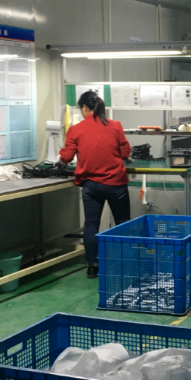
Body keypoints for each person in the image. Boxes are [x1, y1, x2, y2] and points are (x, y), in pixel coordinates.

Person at [59, 90, 131, 279]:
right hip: (116, 183)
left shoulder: (76, 129)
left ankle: (93, 265)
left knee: (91, 225)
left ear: (84, 107)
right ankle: (126, 263)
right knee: (123, 223)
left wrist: (64, 149)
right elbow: (125, 153)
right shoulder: (115, 125)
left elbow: (66, 158)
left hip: (91, 185)